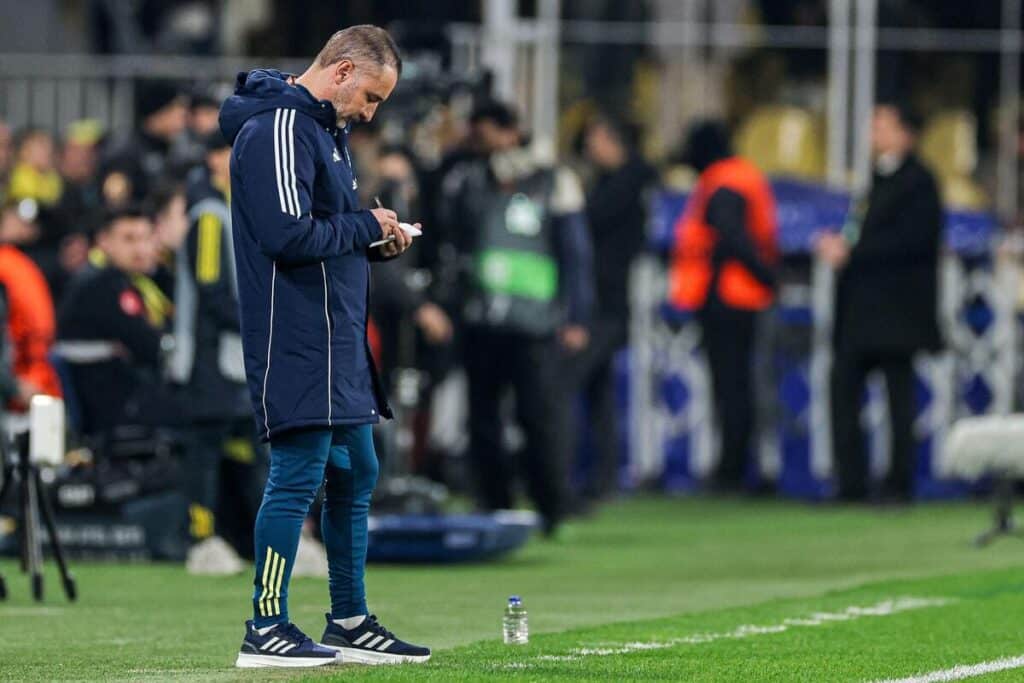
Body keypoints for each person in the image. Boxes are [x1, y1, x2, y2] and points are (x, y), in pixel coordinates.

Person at [220, 24, 430, 667]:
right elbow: (285, 234)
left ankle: (348, 618)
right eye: (369, 96)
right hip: (296, 335)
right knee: (298, 475)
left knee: (358, 470)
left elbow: (322, 231)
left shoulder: (321, 132)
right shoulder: (278, 127)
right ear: (340, 71)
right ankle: (267, 625)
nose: (370, 113)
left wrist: (374, 238)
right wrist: (366, 222)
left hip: (337, 335)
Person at [439, 100, 594, 536]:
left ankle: (551, 506)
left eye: (485, 132)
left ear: (509, 131)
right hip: (482, 317)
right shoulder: (468, 176)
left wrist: (576, 315)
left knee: (538, 417)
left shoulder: (555, 179)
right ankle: (496, 504)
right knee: (483, 418)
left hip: (536, 322)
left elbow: (575, 253)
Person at [815, 101, 943, 503]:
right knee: (843, 389)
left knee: (898, 397)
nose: (873, 133)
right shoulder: (875, 180)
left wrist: (852, 251)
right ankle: (850, 481)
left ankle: (898, 482)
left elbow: (915, 242)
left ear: (906, 133)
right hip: (860, 311)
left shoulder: (920, 182)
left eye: (881, 125)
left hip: (896, 311)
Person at [668, 120, 778, 493]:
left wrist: (764, 275)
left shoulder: (724, 180)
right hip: (742, 295)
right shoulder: (743, 175)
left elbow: (731, 236)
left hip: (729, 296)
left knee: (732, 387)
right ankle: (740, 466)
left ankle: (732, 470)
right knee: (741, 386)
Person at [574, 115, 657, 501]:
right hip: (611, 299)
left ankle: (572, 476)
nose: (590, 147)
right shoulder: (633, 184)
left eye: (595, 138)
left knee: (569, 381)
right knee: (599, 392)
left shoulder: (621, 186)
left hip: (604, 301)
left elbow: (589, 226)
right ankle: (602, 477)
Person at [55, 206, 176, 435]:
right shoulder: (103, 285)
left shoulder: (128, 279)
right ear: (104, 241)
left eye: (146, 238)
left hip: (119, 401)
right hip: (114, 410)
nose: (140, 249)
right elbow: (151, 347)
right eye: (129, 239)